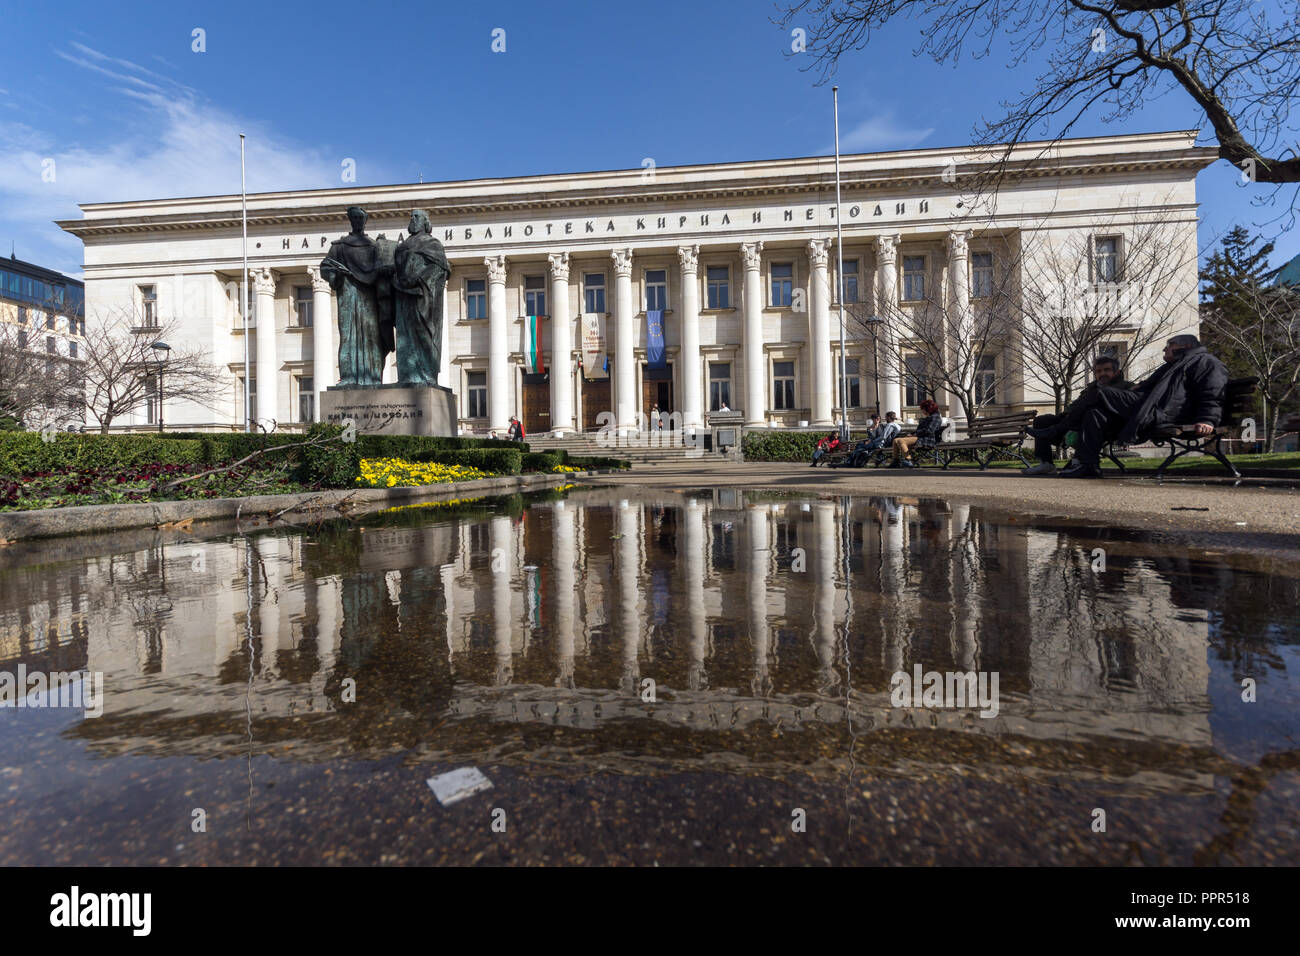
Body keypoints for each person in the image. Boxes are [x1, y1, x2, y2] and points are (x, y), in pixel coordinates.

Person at [1060, 334, 1229, 479]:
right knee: (1095, 413)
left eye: (1169, 346)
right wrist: (1141, 387)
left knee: (1099, 391)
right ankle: (1089, 466)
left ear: (1185, 346)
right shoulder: (1174, 365)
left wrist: (1208, 419)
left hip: (1164, 413)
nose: (1164, 350)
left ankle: (1057, 429)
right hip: (1149, 407)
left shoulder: (1206, 362)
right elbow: (1155, 386)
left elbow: (1213, 393)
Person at [1021, 355, 1132, 476]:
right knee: (1042, 421)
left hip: (1104, 425)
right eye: (1099, 371)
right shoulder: (1092, 388)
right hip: (1076, 420)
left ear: (1117, 372)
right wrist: (1067, 415)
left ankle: (1057, 433)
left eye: (1107, 370)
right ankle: (1046, 464)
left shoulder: (1127, 387)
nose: (1102, 374)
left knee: (1087, 417)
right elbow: (1076, 405)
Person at [888, 400, 943, 468]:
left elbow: (929, 430)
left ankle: (908, 460)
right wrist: (911, 434)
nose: (922, 411)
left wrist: (915, 434)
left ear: (927, 409)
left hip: (928, 439)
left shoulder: (935, 417)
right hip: (921, 437)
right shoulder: (929, 417)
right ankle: (895, 461)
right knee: (895, 440)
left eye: (922, 409)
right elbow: (921, 430)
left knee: (900, 441)